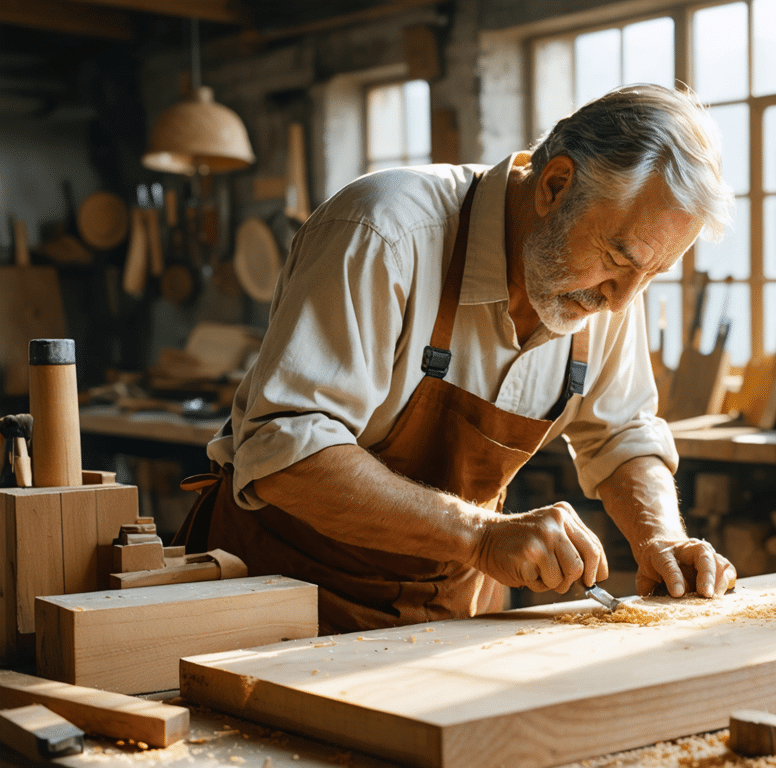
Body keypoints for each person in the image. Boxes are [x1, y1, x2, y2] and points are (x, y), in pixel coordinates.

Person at [178, 84, 739, 633]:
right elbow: (284, 451)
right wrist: (482, 536)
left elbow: (621, 436)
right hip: (282, 597)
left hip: (450, 611)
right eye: (619, 258)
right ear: (555, 185)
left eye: (651, 274)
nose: (623, 299)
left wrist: (661, 538)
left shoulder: (611, 289)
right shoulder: (383, 231)